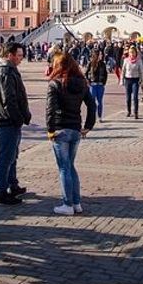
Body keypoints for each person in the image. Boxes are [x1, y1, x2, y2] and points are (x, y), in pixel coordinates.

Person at [45, 52, 96, 216]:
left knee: (64, 168)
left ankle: (67, 204)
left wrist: (50, 130)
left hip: (61, 129)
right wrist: (88, 126)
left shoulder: (55, 84)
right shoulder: (82, 83)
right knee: (70, 167)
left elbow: (50, 109)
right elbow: (92, 105)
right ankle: (76, 203)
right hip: (75, 129)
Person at [0, 42, 31, 205]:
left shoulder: (10, 69)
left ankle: (12, 184)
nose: (21, 59)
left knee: (12, 155)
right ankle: (2, 191)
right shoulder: (5, 71)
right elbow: (9, 99)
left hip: (11, 119)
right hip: (6, 119)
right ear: (10, 55)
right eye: (19, 55)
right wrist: (18, 118)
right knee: (6, 156)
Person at [85, 50, 108, 121]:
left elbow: (105, 74)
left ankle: (100, 116)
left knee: (99, 101)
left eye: (101, 55)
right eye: (100, 54)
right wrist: (88, 81)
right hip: (93, 85)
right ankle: (92, 116)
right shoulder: (90, 63)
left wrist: (104, 82)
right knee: (92, 101)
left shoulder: (103, 64)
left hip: (100, 85)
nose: (101, 56)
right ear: (96, 55)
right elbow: (86, 73)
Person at [121, 46, 142, 118]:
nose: (132, 54)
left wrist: (141, 80)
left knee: (135, 97)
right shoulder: (126, 60)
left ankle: (136, 112)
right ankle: (129, 111)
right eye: (130, 52)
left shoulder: (139, 61)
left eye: (133, 52)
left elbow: (141, 71)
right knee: (128, 97)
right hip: (128, 80)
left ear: (136, 53)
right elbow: (123, 70)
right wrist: (122, 80)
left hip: (135, 80)